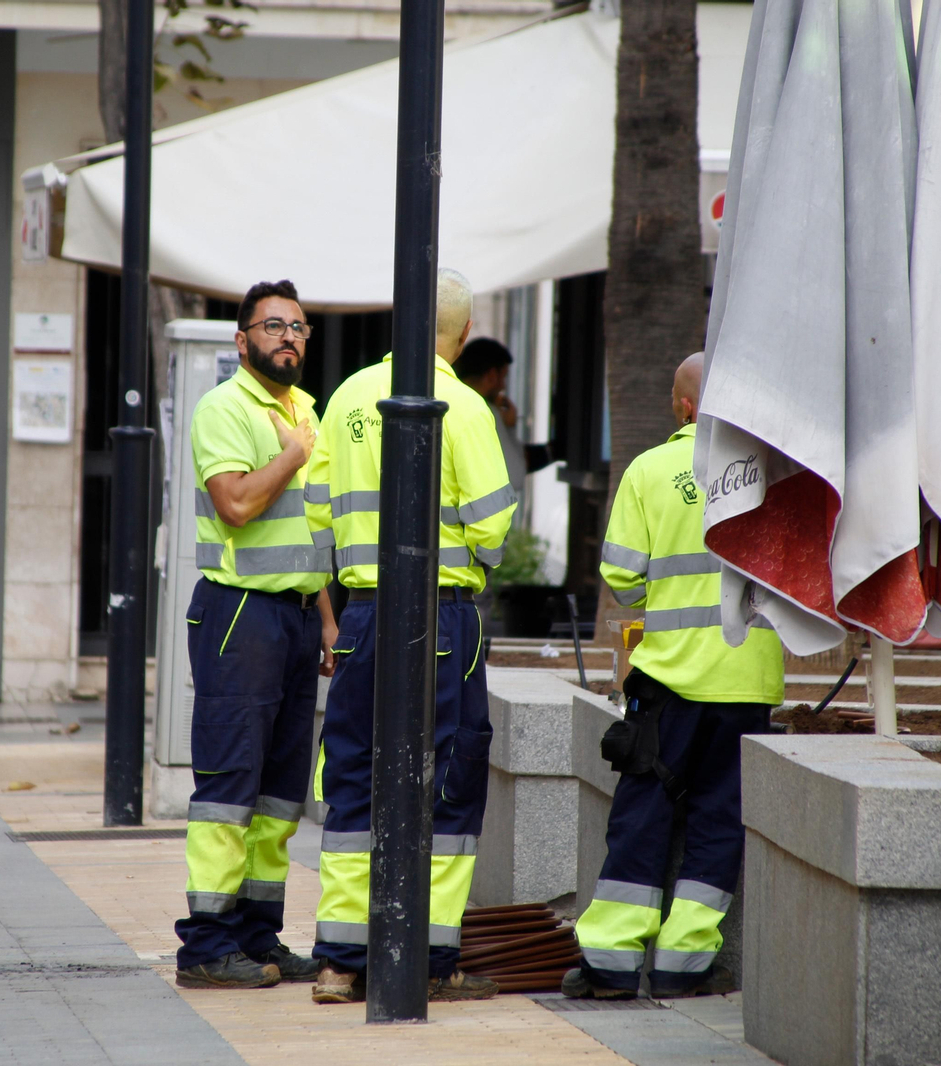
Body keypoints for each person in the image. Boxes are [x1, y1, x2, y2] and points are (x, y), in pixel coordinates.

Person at [303, 269, 517, 1004]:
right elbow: (492, 524)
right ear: (457, 334)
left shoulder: (347, 397)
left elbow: (315, 508)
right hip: (444, 617)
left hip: (363, 611)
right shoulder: (462, 404)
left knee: (354, 770)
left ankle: (339, 958)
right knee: (449, 779)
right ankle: (430, 957)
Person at [562, 352, 784, 1001]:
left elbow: (622, 579)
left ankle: (610, 964)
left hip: (670, 685)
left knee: (644, 812)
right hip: (748, 684)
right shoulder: (773, 473)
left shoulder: (651, 469)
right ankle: (684, 965)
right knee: (719, 821)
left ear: (682, 405)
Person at [175, 279, 339, 990]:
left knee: (279, 795)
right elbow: (237, 503)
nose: (289, 338)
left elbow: (313, 531)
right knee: (228, 788)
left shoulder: (305, 409)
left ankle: (259, 939)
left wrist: (328, 619)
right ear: (242, 341)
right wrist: (295, 456)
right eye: (273, 326)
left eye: (299, 328)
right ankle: (207, 947)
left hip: (299, 618)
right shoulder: (225, 407)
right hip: (240, 614)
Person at [451, 337, 553, 501]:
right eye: (503, 377)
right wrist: (509, 428)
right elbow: (516, 476)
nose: (503, 386)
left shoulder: (450, 400)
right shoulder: (485, 413)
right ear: (491, 375)